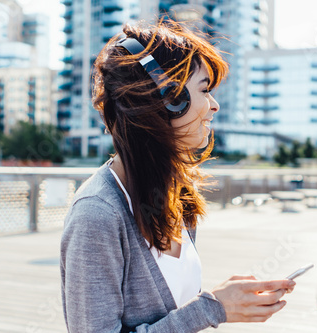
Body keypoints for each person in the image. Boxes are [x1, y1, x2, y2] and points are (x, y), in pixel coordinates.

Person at [60, 21, 295, 333]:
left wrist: (222, 303)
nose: (214, 105)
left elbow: (174, 313)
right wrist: (213, 308)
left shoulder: (175, 192)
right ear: (170, 98)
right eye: (204, 89)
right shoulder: (97, 214)